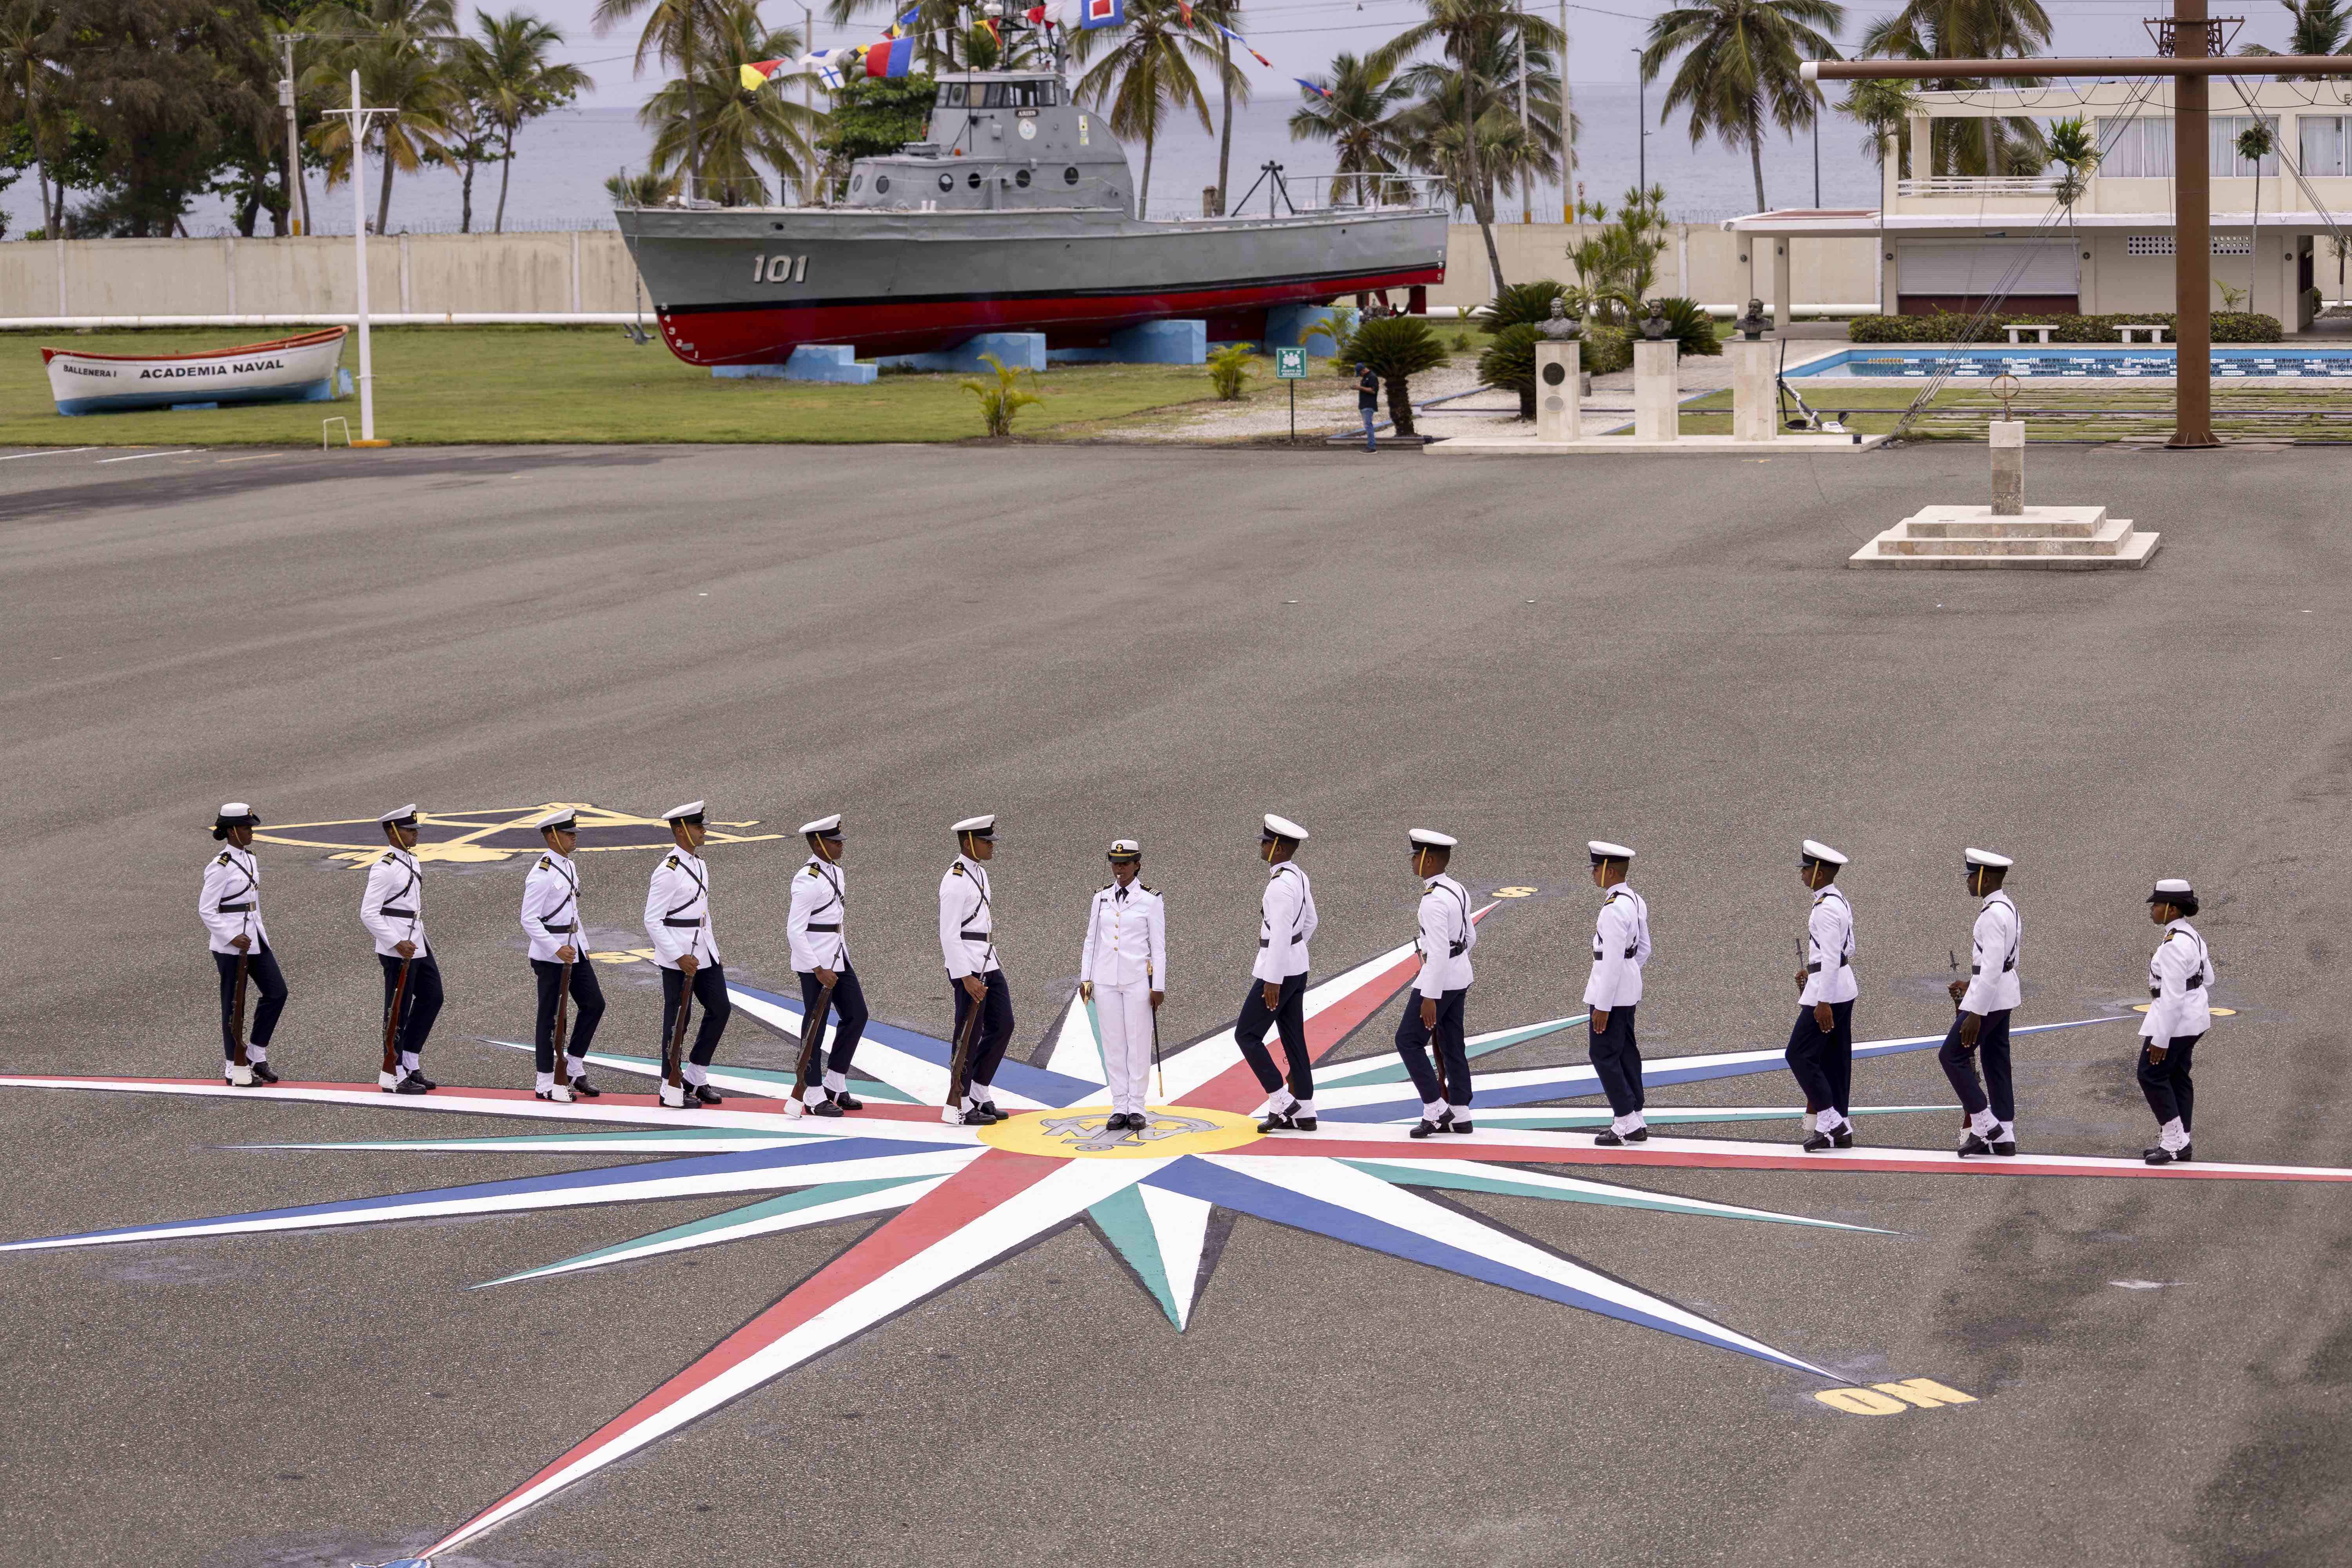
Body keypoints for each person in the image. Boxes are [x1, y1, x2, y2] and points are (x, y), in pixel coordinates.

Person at [646, 800, 731, 1110]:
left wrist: (709, 949)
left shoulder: (699, 864)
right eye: (698, 827)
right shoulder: (668, 871)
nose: (704, 831)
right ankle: (670, 1087)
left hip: (704, 951)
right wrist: (678, 956)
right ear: (681, 831)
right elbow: (652, 919)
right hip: (678, 955)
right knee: (678, 1019)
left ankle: (695, 1075)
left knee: (720, 1009)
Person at [1239, 813, 1320, 1132]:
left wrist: (1273, 979)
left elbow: (1282, 935)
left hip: (1279, 972)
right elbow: (1311, 922)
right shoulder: (1298, 876)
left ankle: (1283, 1101)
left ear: (1279, 848)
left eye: (1267, 842)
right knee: (1292, 1036)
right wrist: (1295, 954)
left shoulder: (1278, 887)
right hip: (1296, 966)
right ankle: (1306, 1110)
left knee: (1247, 1035)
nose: (1262, 846)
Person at [1078, 838, 1166, 1131]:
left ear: (1137, 864)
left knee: (1138, 1043)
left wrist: (1159, 985)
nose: (1120, 869)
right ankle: (1119, 1105)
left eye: (1126, 863)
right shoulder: (1100, 898)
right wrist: (1086, 977)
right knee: (1113, 1044)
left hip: (1137, 979)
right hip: (1105, 980)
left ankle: (1137, 1106)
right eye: (1116, 864)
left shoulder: (1151, 900)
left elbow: (1159, 947)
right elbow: (1091, 940)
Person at [521, 808, 605, 1103]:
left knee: (594, 1004)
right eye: (569, 834)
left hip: (574, 950)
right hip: (551, 955)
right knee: (551, 1018)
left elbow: (572, 912)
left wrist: (582, 947)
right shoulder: (541, 874)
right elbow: (529, 919)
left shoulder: (568, 866)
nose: (574, 838)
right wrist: (555, 948)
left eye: (573, 834)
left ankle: (573, 1068)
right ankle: (545, 1081)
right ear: (552, 836)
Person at [1941, 848, 2021, 1157]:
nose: (1969, 881)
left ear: (1986, 879)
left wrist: (1974, 1011)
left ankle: (1987, 1126)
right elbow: (2001, 963)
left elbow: (1990, 967)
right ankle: (2005, 1134)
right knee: (1996, 1063)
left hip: (1988, 999)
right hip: (2003, 993)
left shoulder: (1992, 915)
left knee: (1951, 1057)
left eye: (1972, 876)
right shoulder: (2008, 907)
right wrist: (1971, 984)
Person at [1397, 829, 1476, 1138]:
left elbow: (1439, 950)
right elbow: (1470, 937)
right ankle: (1460, 1111)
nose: (1413, 862)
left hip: (1439, 979)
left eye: (1416, 856)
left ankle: (1435, 1108)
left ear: (1429, 859)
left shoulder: (1432, 901)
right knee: (1452, 1042)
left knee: (1408, 1041)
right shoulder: (1458, 889)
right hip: (1460, 975)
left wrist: (1429, 995)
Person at [787, 813, 867, 1118]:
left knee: (857, 1015)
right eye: (834, 842)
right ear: (818, 843)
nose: (840, 846)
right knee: (816, 1025)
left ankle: (835, 1083)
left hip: (837, 955)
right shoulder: (807, 880)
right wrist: (817, 967)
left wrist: (837, 957)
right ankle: (813, 1092)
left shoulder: (835, 872)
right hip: (815, 962)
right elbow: (795, 929)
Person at [200, 802, 285, 1087]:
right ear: (232, 830)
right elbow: (207, 910)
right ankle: (232, 1067)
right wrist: (231, 936)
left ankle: (255, 1054)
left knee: (277, 993)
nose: (252, 833)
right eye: (247, 828)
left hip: (254, 939)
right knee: (234, 1005)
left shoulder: (250, 859)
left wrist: (258, 933)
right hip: (231, 945)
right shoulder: (220, 866)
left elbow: (253, 903)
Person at [363, 805, 442, 1095]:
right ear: (393, 832)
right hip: (397, 946)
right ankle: (392, 1072)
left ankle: (410, 1061)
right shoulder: (384, 867)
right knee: (396, 1009)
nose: (415, 834)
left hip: (416, 940)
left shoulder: (411, 861)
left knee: (433, 997)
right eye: (410, 830)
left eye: (415, 829)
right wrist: (395, 943)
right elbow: (368, 913)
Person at [940, 814, 1013, 1126]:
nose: (992, 846)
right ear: (969, 842)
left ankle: (980, 1091)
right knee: (968, 1034)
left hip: (987, 960)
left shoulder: (979, 873)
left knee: (1003, 1025)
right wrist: (965, 976)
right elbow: (949, 933)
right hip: (969, 965)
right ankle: (958, 1101)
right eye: (986, 842)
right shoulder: (955, 881)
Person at [1786, 840, 1857, 1152]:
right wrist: (1813, 972)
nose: (1802, 875)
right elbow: (1847, 949)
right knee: (1836, 1059)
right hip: (1843, 985)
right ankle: (1840, 1123)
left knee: (1799, 1054)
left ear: (1818, 872)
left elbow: (1830, 957)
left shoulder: (1824, 909)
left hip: (1829, 992)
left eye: (1805, 870)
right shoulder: (1838, 900)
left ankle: (1831, 1121)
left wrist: (1822, 1000)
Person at [2138, 878, 2213, 1165]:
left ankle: (2173, 1143)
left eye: (2156, 905)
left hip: (2175, 1022)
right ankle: (2182, 1140)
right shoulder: (2191, 936)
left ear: (2171, 909)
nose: (2152, 910)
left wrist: (2161, 1039)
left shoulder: (2172, 945)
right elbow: (2209, 978)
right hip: (2195, 1017)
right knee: (2178, 1077)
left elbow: (2172, 998)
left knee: (2151, 1075)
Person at [1584, 840, 1651, 1147]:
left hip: (1610, 992)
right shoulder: (1635, 900)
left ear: (1610, 870)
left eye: (1596, 868)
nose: (1594, 873)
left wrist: (1603, 1004)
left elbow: (1610, 962)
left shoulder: (1612, 910)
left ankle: (1625, 1120)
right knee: (1625, 1052)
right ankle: (1635, 1114)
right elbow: (1644, 950)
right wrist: (1628, 974)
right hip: (1628, 987)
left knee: (1603, 1054)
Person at [1356, 362, 1380, 453]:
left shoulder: (1372, 377)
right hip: (1364, 405)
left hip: (1369, 405)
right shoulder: (1365, 378)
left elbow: (1374, 391)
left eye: (1360, 373)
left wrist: (1360, 388)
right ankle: (1370, 446)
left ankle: (1372, 447)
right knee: (1367, 426)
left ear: (1363, 370)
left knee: (1369, 426)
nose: (1360, 376)